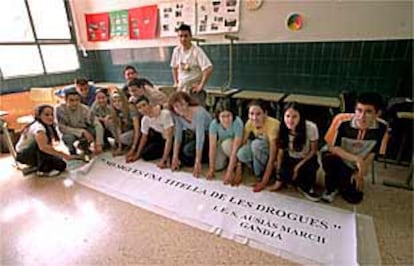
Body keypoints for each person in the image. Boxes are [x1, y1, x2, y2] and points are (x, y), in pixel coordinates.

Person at [321, 92, 389, 204]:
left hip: (355, 165)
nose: (361, 116)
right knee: (329, 159)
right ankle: (331, 187)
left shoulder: (382, 128)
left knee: (354, 198)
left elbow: (373, 153)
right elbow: (332, 147)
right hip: (339, 157)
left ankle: (343, 181)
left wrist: (360, 173)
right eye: (359, 110)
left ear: (377, 113)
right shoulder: (342, 120)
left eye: (368, 112)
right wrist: (357, 159)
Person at [269, 102, 320, 202]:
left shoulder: (311, 127)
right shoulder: (282, 127)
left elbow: (313, 150)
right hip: (291, 157)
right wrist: (279, 174)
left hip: (306, 158)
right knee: (284, 174)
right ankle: (290, 180)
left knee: (306, 175)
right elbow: (281, 151)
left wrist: (298, 167)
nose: (290, 120)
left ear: (300, 117)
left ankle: (305, 186)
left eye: (294, 117)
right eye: (287, 116)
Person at [15, 104, 73, 177]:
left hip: (36, 153)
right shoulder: (39, 128)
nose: (50, 117)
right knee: (42, 146)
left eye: (52, 115)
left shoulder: (48, 126)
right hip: (24, 154)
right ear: (39, 116)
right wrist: (63, 154)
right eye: (46, 115)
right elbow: (43, 147)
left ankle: (36, 166)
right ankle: (42, 170)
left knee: (61, 165)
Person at [235, 100, 280, 192]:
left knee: (256, 144)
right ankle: (257, 170)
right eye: (251, 114)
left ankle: (261, 175)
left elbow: (273, 154)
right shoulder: (249, 122)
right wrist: (238, 170)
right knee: (241, 153)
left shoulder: (272, 125)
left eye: (258, 114)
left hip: (275, 155)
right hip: (260, 150)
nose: (254, 117)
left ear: (265, 113)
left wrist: (264, 181)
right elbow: (242, 143)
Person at [168, 92, 212, 177]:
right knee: (176, 155)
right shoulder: (177, 115)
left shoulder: (199, 113)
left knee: (187, 150)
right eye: (176, 106)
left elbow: (200, 138)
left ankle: (204, 158)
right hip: (195, 135)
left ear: (187, 103)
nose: (180, 108)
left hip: (209, 136)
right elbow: (178, 135)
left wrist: (197, 162)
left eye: (182, 104)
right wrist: (175, 157)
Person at [170, 24, 213, 106]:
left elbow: (208, 68)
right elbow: (174, 67)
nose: (183, 39)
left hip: (193, 90)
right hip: (181, 89)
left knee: (196, 114)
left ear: (190, 37)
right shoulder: (176, 51)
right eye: (180, 36)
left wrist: (201, 85)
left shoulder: (196, 51)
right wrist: (176, 82)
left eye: (186, 36)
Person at [56, 89, 104, 156]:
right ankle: (72, 150)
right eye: (71, 100)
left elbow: (97, 123)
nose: (75, 103)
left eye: (77, 100)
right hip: (71, 132)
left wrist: (99, 143)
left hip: (85, 131)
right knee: (67, 138)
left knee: (94, 130)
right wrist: (81, 131)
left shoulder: (85, 109)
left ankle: (84, 147)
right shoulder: (60, 109)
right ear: (65, 100)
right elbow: (62, 127)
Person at [206, 98, 243, 184]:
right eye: (223, 116)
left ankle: (238, 165)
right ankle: (228, 161)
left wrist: (229, 173)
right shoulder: (214, 124)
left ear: (233, 115)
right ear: (218, 116)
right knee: (217, 166)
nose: (226, 120)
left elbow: (235, 149)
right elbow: (212, 147)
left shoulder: (238, 123)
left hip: (235, 147)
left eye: (228, 116)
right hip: (221, 144)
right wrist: (211, 169)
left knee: (227, 145)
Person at [131, 96, 174, 168]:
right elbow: (143, 138)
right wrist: (137, 155)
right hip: (162, 139)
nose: (143, 109)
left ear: (150, 104)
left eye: (144, 105)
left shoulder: (164, 114)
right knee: (145, 155)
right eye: (139, 108)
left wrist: (164, 159)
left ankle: (169, 155)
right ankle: (166, 153)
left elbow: (169, 139)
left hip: (174, 139)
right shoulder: (145, 119)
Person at [109, 89, 140, 162]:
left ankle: (133, 146)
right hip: (127, 129)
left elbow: (137, 129)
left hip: (138, 131)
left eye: (119, 101)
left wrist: (133, 148)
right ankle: (123, 146)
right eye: (114, 101)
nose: (117, 103)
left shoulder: (131, 108)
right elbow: (118, 128)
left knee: (123, 138)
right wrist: (120, 147)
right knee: (110, 122)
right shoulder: (116, 111)